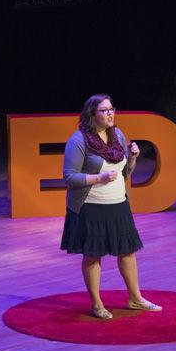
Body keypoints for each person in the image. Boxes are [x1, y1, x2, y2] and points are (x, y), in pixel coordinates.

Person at [61, 93, 162, 319]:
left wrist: (133, 158)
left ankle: (135, 298)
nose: (110, 113)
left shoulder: (117, 134)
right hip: (90, 207)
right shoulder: (79, 140)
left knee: (127, 252)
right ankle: (96, 304)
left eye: (111, 109)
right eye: (104, 110)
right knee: (92, 255)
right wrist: (98, 178)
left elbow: (124, 174)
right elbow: (69, 177)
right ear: (92, 115)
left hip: (118, 204)